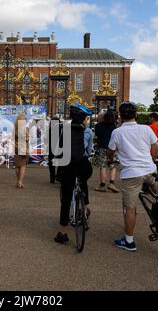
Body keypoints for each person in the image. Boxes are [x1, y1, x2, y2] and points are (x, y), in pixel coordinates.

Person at [108, 102, 158, 252]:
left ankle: (129, 241)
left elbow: (110, 151)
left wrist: (111, 160)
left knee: (130, 208)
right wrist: (153, 159)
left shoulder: (117, 132)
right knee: (154, 182)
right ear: (136, 115)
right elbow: (156, 147)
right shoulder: (146, 128)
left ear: (120, 116)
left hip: (132, 173)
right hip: (149, 168)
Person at [54, 104, 93, 244]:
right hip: (83, 165)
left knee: (66, 200)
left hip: (68, 165)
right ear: (83, 119)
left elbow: (58, 149)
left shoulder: (64, 129)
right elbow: (88, 151)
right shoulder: (88, 131)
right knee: (83, 181)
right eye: (86, 118)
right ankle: (85, 209)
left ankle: (62, 232)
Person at [94, 109, 119, 193]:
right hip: (113, 148)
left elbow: (97, 135)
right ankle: (112, 183)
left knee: (103, 166)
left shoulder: (98, 126)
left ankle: (102, 185)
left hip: (102, 147)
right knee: (113, 165)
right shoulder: (115, 126)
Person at [14, 114, 30, 189]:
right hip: (24, 149)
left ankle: (18, 181)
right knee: (23, 166)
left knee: (17, 166)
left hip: (16, 149)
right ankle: (20, 182)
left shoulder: (15, 129)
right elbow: (27, 139)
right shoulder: (26, 129)